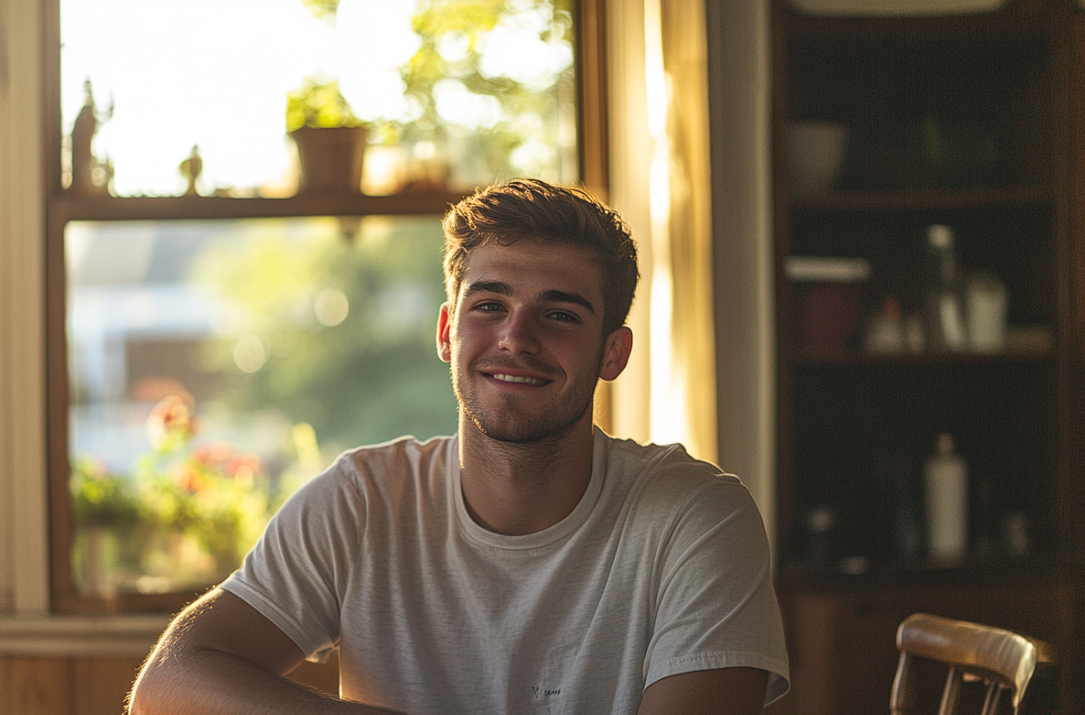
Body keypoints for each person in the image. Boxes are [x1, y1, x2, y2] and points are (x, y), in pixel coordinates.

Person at [128, 179, 789, 715]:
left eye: (559, 313)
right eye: (489, 305)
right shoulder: (363, 500)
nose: (515, 337)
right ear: (447, 331)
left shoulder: (696, 516)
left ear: (612, 352)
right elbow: (168, 685)